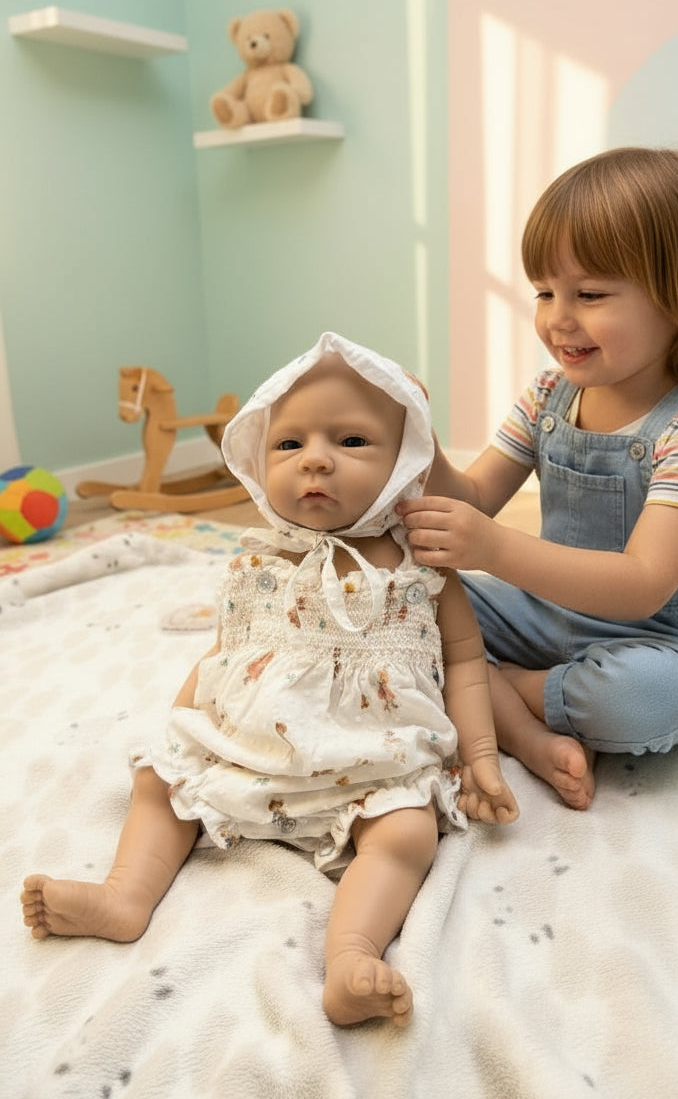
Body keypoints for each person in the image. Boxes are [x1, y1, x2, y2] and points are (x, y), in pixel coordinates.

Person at [21, 332, 518, 1029]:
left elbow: (466, 661)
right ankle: (125, 896)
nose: (315, 457)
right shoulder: (256, 563)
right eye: (289, 445)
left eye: (349, 441)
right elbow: (226, 653)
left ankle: (350, 955)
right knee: (158, 782)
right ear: (257, 462)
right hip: (248, 753)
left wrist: (483, 758)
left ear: (404, 463)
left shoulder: (422, 569)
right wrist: (184, 730)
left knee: (408, 833)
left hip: (371, 767)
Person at [399, 147, 678, 813]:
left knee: (641, 702)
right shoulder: (547, 397)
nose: (558, 316)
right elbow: (472, 499)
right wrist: (421, 439)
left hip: (657, 641)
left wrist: (496, 550)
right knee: (406, 601)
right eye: (544, 292)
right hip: (541, 612)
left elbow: (645, 583)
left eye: (589, 294)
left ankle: (505, 689)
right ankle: (526, 728)